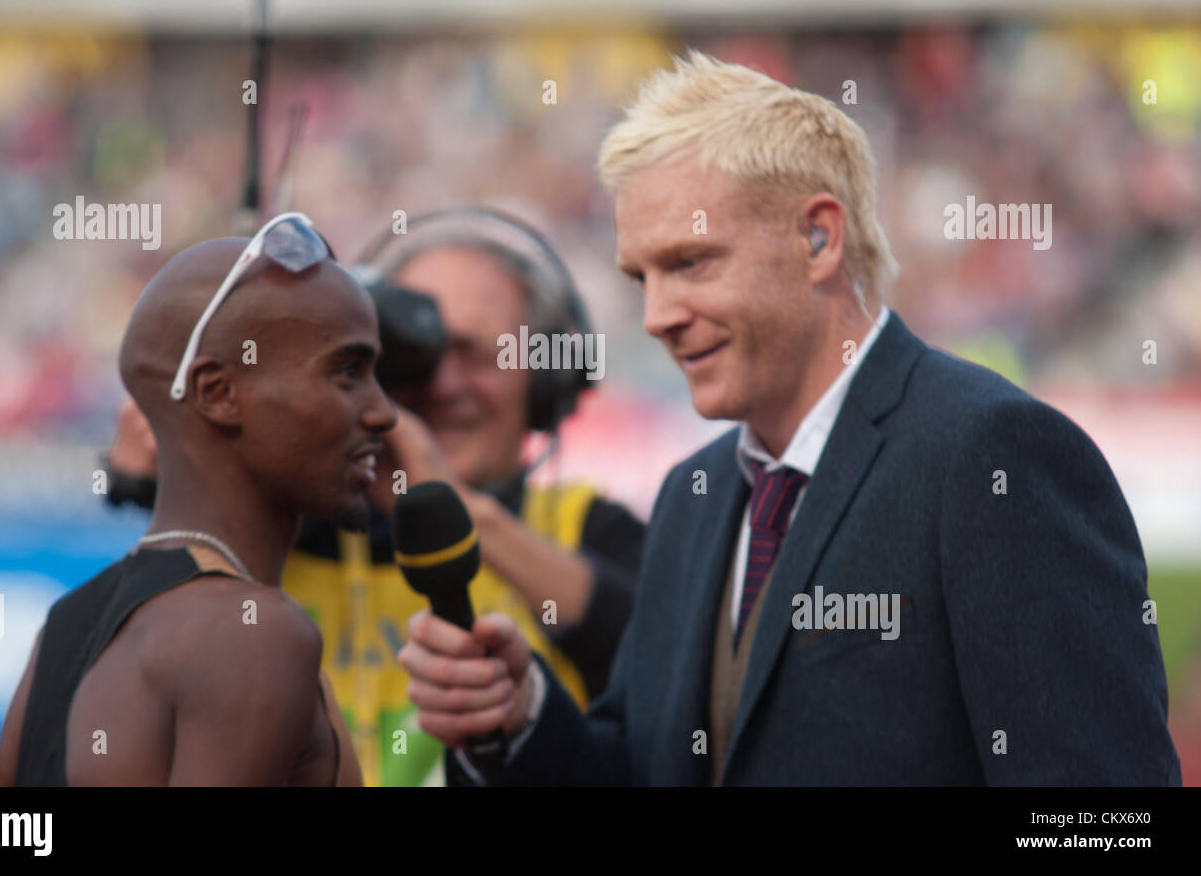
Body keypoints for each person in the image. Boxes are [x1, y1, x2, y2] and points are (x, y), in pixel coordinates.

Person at [396, 52, 1184, 786]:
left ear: (818, 236)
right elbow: (642, 766)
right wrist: (521, 714)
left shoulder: (991, 455)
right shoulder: (690, 495)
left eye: (691, 262)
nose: (657, 316)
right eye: (641, 276)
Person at [98, 209, 646, 786]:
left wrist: (452, 506)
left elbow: (646, 646)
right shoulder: (282, 528)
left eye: (476, 355)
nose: (444, 385)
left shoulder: (581, 526)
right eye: (414, 356)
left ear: (544, 382)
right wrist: (191, 451)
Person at [0, 217, 393, 785]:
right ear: (218, 393)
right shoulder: (258, 634)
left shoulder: (65, 627)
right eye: (347, 373)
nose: (385, 413)